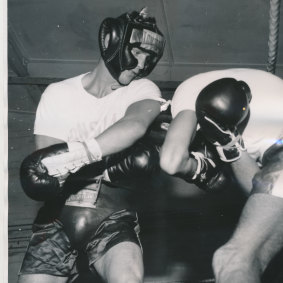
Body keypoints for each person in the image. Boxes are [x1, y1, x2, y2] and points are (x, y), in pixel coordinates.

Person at [18, 8, 167, 283]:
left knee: (128, 278)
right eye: (137, 52)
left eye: (150, 58)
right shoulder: (58, 94)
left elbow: (134, 125)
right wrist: (104, 165)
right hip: (56, 219)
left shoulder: (143, 89)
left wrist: (79, 155)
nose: (141, 64)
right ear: (112, 41)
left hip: (112, 215)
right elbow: (45, 169)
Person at [160, 68, 283, 283]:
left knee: (232, 260)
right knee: (251, 262)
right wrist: (228, 147)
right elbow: (260, 189)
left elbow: (171, 161)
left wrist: (196, 169)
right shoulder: (238, 131)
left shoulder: (186, 100)